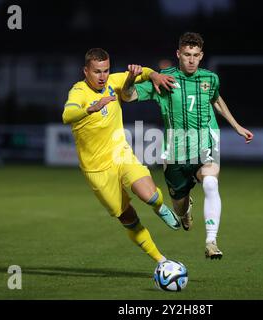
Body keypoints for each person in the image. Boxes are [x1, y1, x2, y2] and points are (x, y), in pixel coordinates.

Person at [121, 32, 254, 260]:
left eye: (195, 55)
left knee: (211, 183)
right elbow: (128, 96)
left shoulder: (210, 78)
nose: (191, 60)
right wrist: (131, 78)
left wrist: (237, 126)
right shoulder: (164, 79)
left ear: (201, 56)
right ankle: (185, 211)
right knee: (179, 208)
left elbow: (216, 99)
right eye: (186, 55)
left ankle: (211, 241)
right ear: (178, 54)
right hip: (176, 152)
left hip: (205, 143)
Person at [62, 48, 180, 265]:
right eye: (97, 71)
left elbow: (141, 71)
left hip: (120, 154)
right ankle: (161, 260)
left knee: (150, 196)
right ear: (85, 71)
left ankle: (160, 208)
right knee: (128, 218)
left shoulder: (114, 81)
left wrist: (154, 75)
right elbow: (67, 115)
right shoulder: (78, 92)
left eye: (106, 70)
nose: (102, 76)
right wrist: (91, 109)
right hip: (96, 169)